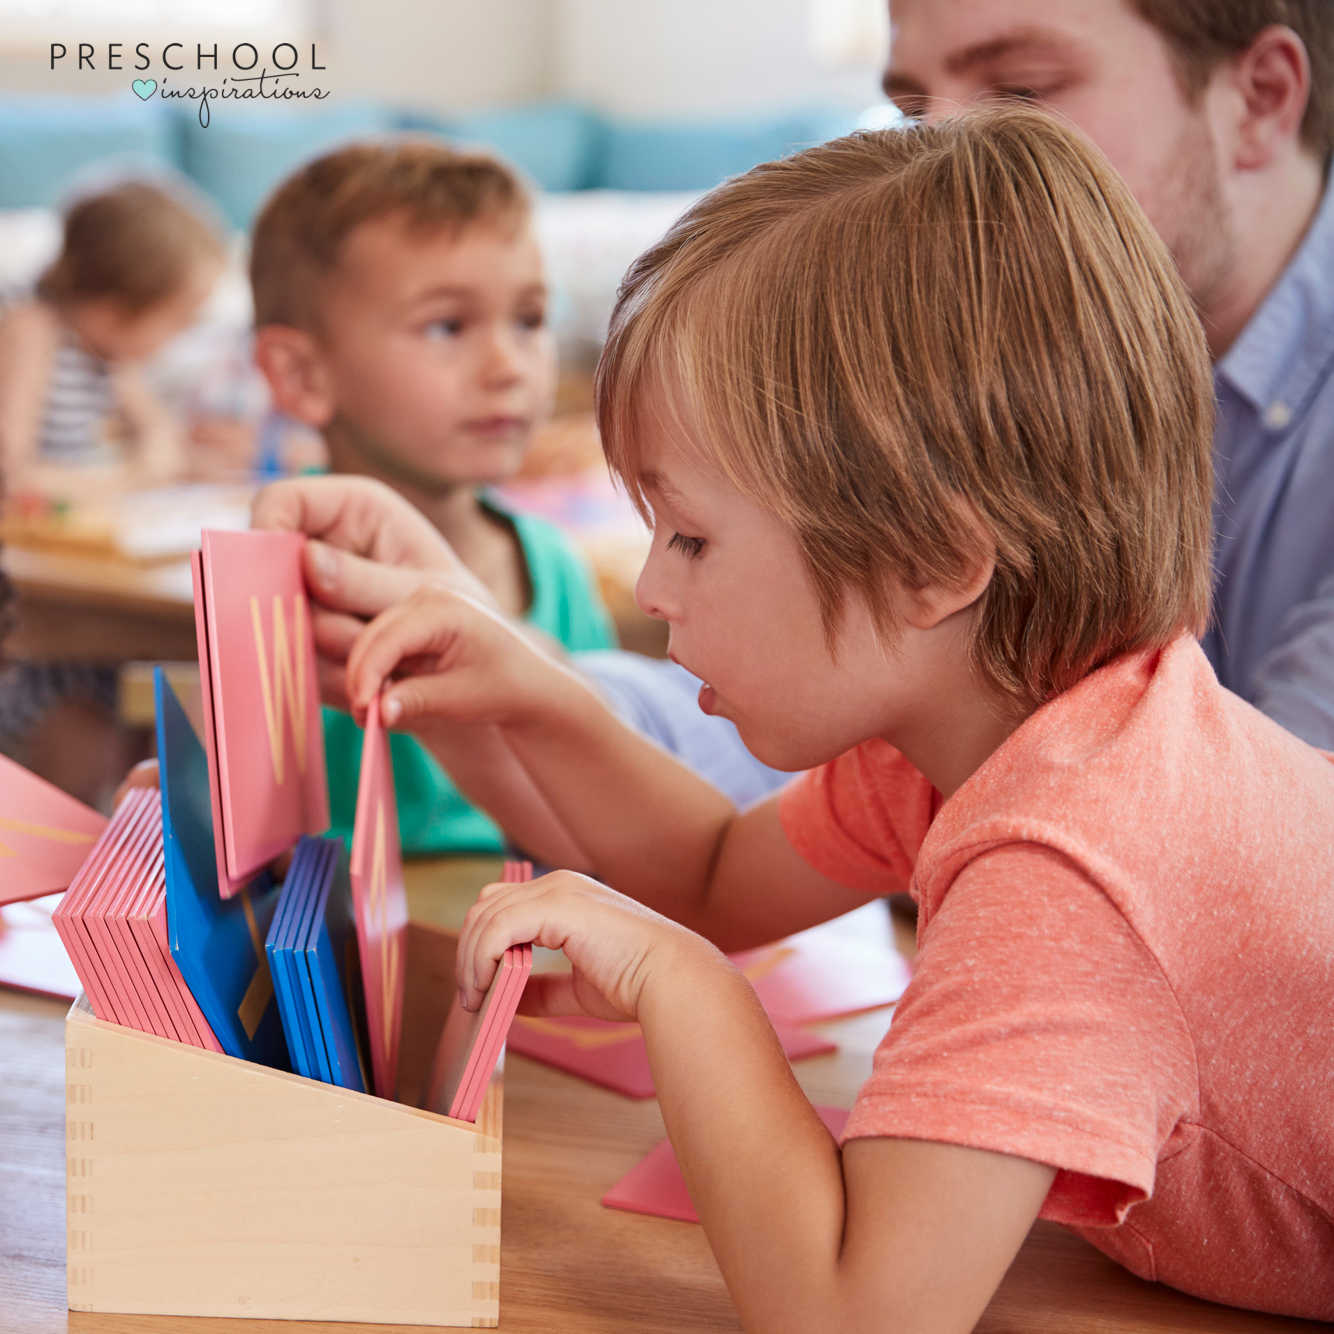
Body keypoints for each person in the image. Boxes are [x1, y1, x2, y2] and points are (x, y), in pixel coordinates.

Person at [256, 109, 1334, 1327]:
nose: (651, 586)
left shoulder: (1068, 866)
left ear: (934, 560)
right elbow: (716, 870)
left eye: (693, 537)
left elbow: (853, 1314)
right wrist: (509, 685)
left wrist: (685, 986)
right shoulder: (1006, 716)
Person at [879, 0, 1334, 748]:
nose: (931, 175)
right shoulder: (1004, 360)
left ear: (1260, 101)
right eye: (912, 115)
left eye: (1020, 96)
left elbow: (1256, 841)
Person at [247, 140, 619, 855]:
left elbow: (612, 796)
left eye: (529, 319)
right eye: (448, 325)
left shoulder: (555, 565)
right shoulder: (282, 574)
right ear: (302, 375)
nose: (508, 367)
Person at [0, 177, 227, 808]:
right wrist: (132, 472)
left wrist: (168, 454)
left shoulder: (105, 351)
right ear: (112, 305)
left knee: (158, 720)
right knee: (87, 740)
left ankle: (118, 861)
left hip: (90, 572)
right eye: (177, 317)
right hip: (40, 617)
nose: (178, 338)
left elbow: (162, 442)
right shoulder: (34, 327)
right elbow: (15, 474)